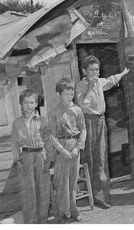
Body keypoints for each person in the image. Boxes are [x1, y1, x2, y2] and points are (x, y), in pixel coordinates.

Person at [75, 55, 129, 208]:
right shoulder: (81, 85)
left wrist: (123, 73)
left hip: (101, 121)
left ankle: (103, 194)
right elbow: (83, 105)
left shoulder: (100, 82)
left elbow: (111, 80)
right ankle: (93, 194)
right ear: (84, 71)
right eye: (92, 70)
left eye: (97, 70)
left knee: (102, 157)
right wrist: (90, 87)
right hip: (88, 122)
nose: (95, 73)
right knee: (91, 157)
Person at [48, 78, 87, 223]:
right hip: (62, 148)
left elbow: (83, 129)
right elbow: (51, 135)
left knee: (72, 181)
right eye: (66, 94)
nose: (69, 97)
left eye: (71, 94)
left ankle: (74, 211)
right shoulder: (54, 112)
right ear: (59, 94)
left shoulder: (77, 110)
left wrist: (79, 146)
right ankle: (63, 214)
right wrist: (62, 150)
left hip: (74, 145)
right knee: (62, 183)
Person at [11, 89, 53, 223]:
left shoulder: (42, 120)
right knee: (28, 191)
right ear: (21, 104)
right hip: (26, 157)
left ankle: (43, 220)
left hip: (41, 156)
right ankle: (31, 222)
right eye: (25, 103)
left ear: (36, 104)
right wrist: (18, 160)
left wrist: (50, 158)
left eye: (32, 102)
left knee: (43, 190)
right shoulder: (17, 123)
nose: (29, 105)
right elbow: (14, 143)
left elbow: (48, 140)